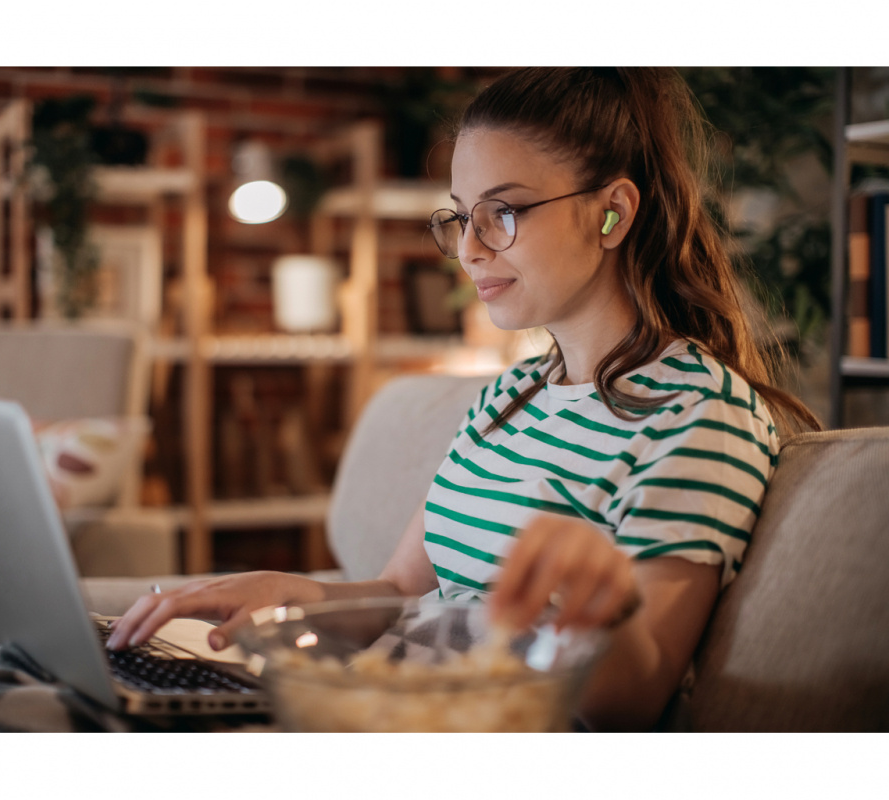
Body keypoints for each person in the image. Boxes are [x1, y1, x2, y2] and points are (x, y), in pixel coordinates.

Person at [105, 67, 820, 732]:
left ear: (612, 214)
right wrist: (279, 595)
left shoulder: (701, 416)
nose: (470, 249)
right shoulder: (506, 399)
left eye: (502, 212)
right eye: (460, 217)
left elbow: (630, 700)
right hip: (379, 699)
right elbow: (396, 592)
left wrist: (604, 601)